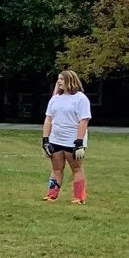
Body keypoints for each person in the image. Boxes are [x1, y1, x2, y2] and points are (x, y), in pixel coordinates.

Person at [41, 70, 91, 204]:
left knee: (76, 168)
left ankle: (79, 197)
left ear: (70, 80)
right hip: (56, 139)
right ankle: (51, 194)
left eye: (61, 79)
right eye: (58, 79)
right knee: (56, 168)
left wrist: (79, 142)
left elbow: (83, 121)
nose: (59, 82)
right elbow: (48, 120)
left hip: (72, 140)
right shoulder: (55, 99)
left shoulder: (81, 98)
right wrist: (45, 140)